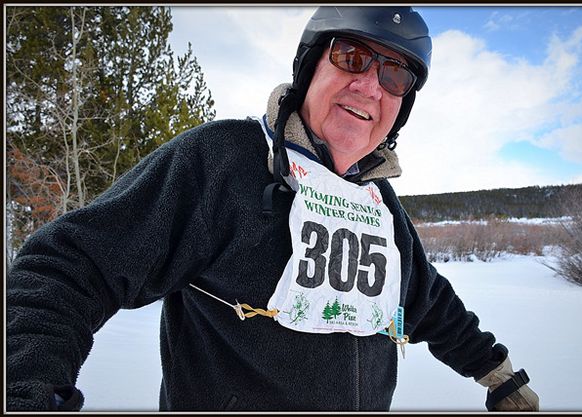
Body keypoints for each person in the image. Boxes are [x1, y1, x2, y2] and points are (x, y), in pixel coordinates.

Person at [6, 6, 539, 412]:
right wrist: (27, 388)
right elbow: (68, 268)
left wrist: (499, 374)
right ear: (310, 67)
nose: (370, 85)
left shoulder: (377, 203)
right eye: (352, 58)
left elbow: (424, 298)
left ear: (402, 105)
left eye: (395, 76)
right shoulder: (222, 162)